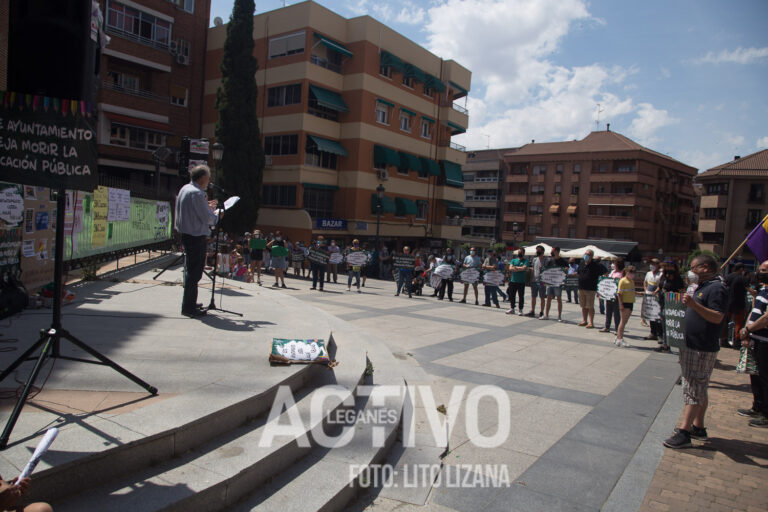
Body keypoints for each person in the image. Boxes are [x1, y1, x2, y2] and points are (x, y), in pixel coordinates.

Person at [663, 254, 727, 449]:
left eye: (693, 267)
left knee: (693, 387)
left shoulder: (717, 288)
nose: (690, 271)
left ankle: (684, 431)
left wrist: (693, 305)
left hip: (701, 346)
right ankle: (698, 425)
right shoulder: (703, 286)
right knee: (699, 385)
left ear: (705, 268)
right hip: (691, 344)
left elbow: (717, 317)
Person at [174, 164, 219, 318]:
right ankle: (188, 307)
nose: (208, 181)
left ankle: (190, 302)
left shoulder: (185, 189)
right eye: (207, 178)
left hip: (187, 234)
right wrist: (216, 215)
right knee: (195, 273)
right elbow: (208, 219)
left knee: (191, 271)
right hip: (196, 236)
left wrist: (207, 206)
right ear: (202, 178)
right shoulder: (197, 193)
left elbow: (194, 211)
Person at [737, 259, 768, 427]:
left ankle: (766, 413)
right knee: (755, 375)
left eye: (764, 270)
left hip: (765, 341)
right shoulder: (763, 289)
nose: (761, 272)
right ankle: (757, 406)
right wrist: (746, 328)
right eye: (761, 269)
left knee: (765, 378)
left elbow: (766, 318)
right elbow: (754, 311)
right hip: (755, 339)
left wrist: (749, 329)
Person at [655, 261, 685, 352]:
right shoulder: (663, 276)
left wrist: (675, 294)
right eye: (666, 267)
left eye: (670, 267)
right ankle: (665, 343)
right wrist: (656, 291)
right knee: (663, 323)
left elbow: (681, 291)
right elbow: (660, 286)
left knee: (668, 323)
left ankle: (667, 344)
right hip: (662, 302)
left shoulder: (677, 279)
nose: (667, 268)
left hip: (671, 304)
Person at [722, 263, 749, 349]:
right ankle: (736, 343)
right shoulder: (742, 279)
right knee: (738, 323)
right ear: (741, 269)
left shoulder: (727, 277)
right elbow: (748, 287)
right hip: (738, 304)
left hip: (727, 303)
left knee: (725, 322)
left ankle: (723, 340)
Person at [577, 249, 603, 329]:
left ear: (591, 256)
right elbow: (579, 273)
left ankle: (591, 322)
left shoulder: (595, 265)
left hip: (591, 289)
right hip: (581, 288)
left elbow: (604, 272)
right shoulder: (581, 263)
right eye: (585, 254)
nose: (586, 255)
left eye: (588, 254)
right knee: (583, 306)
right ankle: (585, 320)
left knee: (590, 306)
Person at [599, 258, 624, 333]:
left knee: (616, 313)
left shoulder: (622, 273)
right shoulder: (612, 272)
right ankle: (607, 326)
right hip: (609, 294)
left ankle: (617, 329)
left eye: (614, 263)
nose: (612, 264)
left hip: (616, 295)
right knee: (608, 311)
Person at [615, 265, 636, 347]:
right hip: (625, 302)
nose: (632, 275)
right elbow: (619, 293)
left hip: (631, 302)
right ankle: (620, 338)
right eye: (630, 273)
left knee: (625, 321)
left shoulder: (632, 281)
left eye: (633, 273)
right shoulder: (623, 281)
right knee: (623, 322)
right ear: (626, 272)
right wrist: (621, 304)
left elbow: (631, 291)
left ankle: (618, 337)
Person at [544, 246, 567, 321]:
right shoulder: (550, 260)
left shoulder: (563, 261)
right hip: (550, 282)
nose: (551, 252)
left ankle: (559, 316)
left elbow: (566, 270)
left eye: (552, 251)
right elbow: (546, 270)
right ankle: (546, 315)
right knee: (548, 298)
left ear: (556, 251)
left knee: (559, 298)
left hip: (558, 283)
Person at [644, 258, 664, 340]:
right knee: (650, 314)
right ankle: (653, 333)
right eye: (651, 264)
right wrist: (645, 290)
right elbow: (645, 282)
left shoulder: (661, 274)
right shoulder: (648, 273)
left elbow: (661, 284)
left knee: (658, 315)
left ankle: (660, 334)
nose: (652, 265)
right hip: (649, 295)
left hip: (657, 296)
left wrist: (656, 291)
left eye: (654, 264)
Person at [526, 245, 546, 318]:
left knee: (542, 297)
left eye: (539, 250)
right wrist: (531, 279)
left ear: (542, 251)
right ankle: (532, 310)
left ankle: (541, 311)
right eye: (537, 250)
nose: (537, 251)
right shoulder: (534, 259)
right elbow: (533, 269)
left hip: (542, 281)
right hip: (534, 280)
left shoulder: (546, 260)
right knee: (533, 297)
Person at [506, 249, 527, 315]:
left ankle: (520, 309)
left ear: (523, 253)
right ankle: (512, 308)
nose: (519, 253)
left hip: (521, 281)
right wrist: (519, 268)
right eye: (519, 252)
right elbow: (510, 268)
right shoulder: (513, 260)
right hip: (513, 281)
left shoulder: (525, 261)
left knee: (521, 296)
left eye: (521, 252)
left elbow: (524, 268)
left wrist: (515, 268)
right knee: (512, 295)